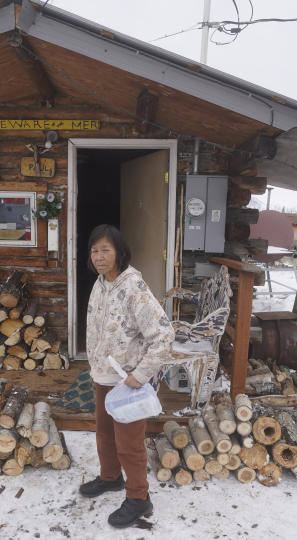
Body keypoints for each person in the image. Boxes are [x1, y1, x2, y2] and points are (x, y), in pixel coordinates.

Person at [79, 224, 174, 528]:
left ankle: (138, 498)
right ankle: (110, 478)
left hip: (127, 382)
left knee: (129, 444)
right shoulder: (99, 284)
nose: (99, 256)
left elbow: (163, 335)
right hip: (103, 377)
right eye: (95, 250)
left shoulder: (134, 288)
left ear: (119, 252)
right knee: (105, 435)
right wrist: (95, 364)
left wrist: (140, 374)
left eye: (105, 249)